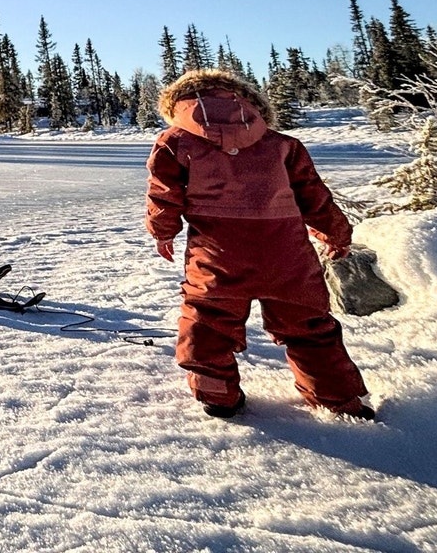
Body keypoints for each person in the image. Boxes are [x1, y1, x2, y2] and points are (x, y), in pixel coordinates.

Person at [145, 68, 374, 421]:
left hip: (217, 255)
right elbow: (314, 197)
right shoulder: (283, 145)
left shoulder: (175, 142)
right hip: (289, 255)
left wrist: (162, 231)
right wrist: (336, 233)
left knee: (208, 319)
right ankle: (338, 398)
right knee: (309, 326)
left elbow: (164, 195)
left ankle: (217, 393)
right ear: (250, 105)